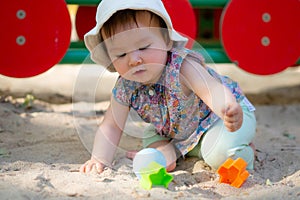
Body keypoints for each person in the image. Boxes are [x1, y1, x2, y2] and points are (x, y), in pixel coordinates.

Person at [80, 0, 256, 174]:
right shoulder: (125, 86)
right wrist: (99, 158)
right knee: (151, 138)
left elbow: (211, 89)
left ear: (166, 41)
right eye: (121, 54)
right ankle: (171, 153)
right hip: (174, 131)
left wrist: (226, 107)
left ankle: (240, 147)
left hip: (217, 119)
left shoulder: (182, 67)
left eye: (143, 47)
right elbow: (111, 126)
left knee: (219, 155)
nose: (134, 60)